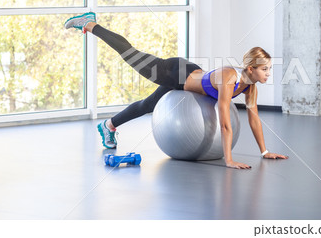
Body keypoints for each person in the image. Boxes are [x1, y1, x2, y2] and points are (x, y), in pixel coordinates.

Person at [64, 12, 288, 169]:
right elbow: (225, 121)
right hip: (175, 72)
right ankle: (90, 24)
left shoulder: (250, 88)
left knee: (148, 105)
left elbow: (254, 119)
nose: (269, 73)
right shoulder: (230, 77)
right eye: (265, 69)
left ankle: (108, 125)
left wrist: (265, 152)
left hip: (186, 81)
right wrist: (228, 160)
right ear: (251, 68)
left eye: (269, 69)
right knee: (131, 54)